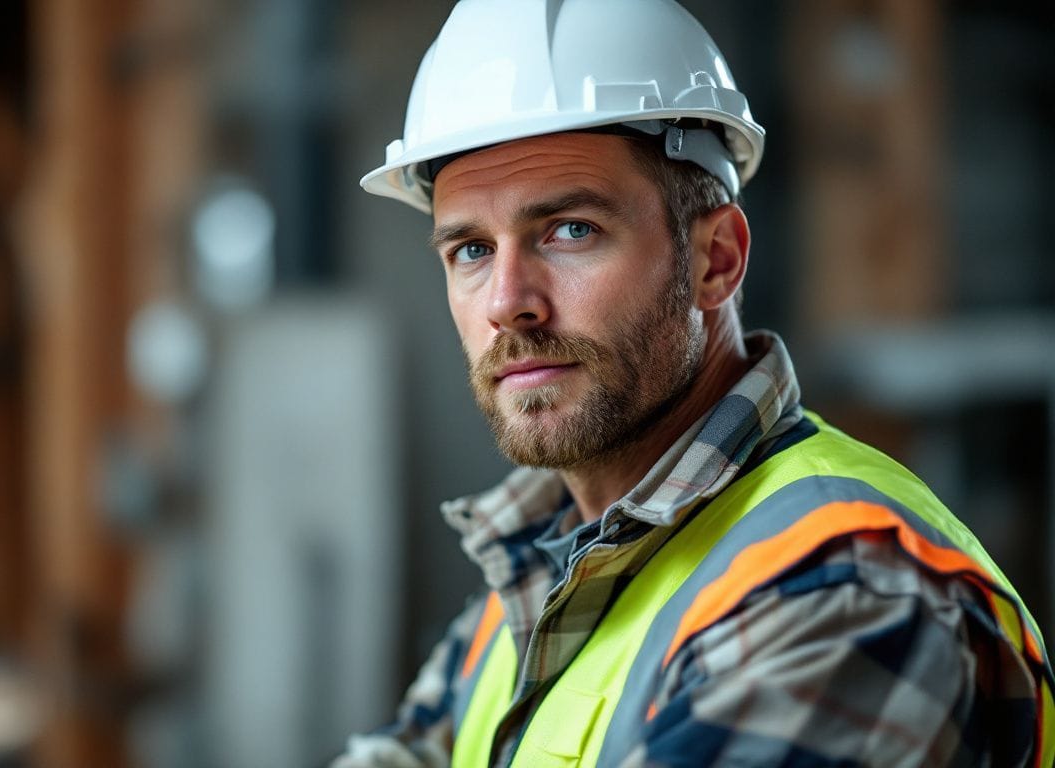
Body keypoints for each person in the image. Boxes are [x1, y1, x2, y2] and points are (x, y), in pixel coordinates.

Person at [334, 0, 1054, 766]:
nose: (509, 302)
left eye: (571, 230)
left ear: (716, 261)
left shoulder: (847, 587)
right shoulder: (537, 568)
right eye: (472, 250)